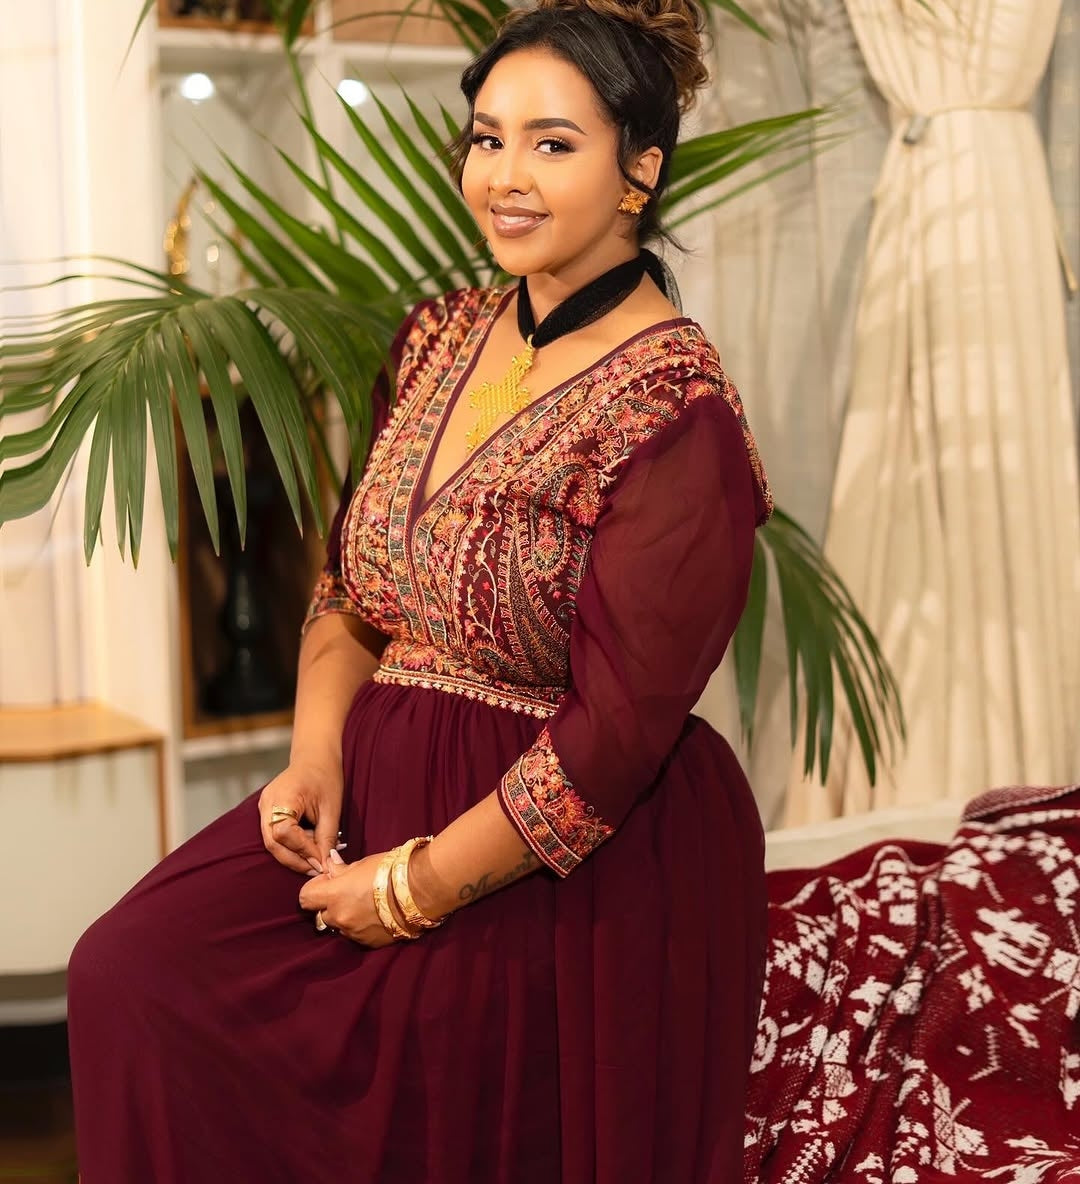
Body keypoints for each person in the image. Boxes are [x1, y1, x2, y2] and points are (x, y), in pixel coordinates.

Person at [67, 0, 773, 1179]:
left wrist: (411, 887)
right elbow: (353, 582)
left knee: (416, 1082)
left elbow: (610, 743)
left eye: (554, 144)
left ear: (640, 169)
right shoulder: (440, 334)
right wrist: (312, 755)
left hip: (560, 844)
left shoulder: (678, 413)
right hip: (378, 773)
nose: (505, 176)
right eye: (486, 138)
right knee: (132, 964)